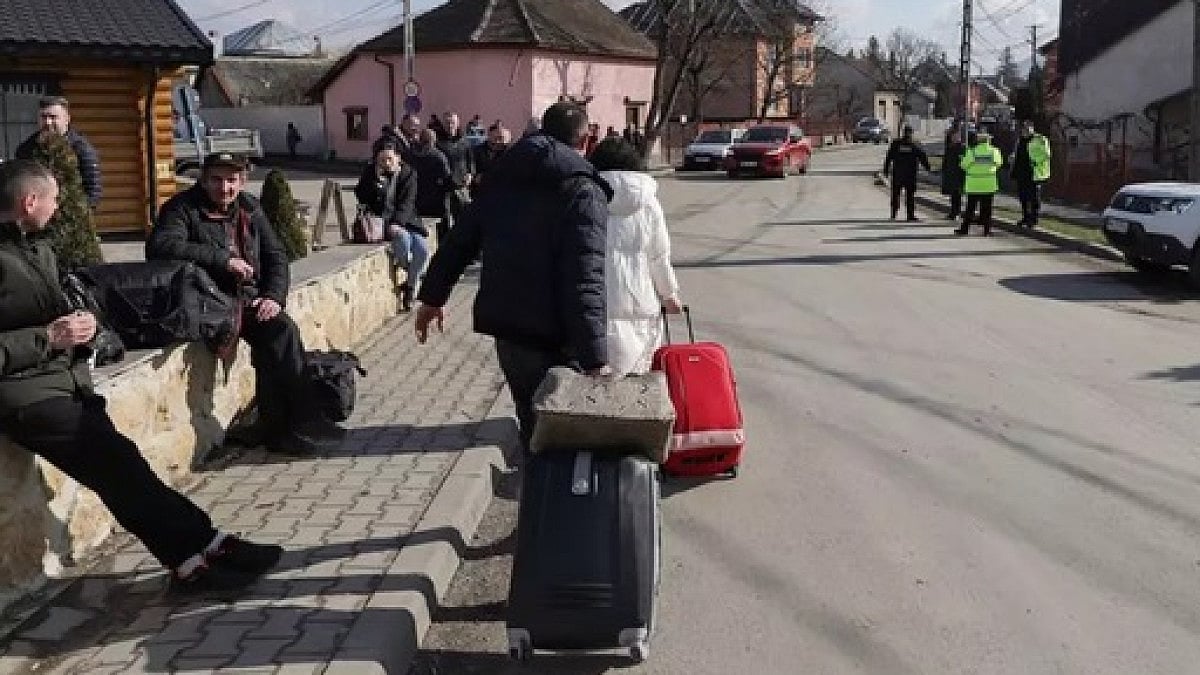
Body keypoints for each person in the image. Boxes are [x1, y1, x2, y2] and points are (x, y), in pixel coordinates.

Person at [0, 159, 282, 593]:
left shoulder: (34, 245)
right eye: (54, 199)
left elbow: (61, 303)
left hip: (64, 381)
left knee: (127, 470)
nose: (60, 207)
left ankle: (206, 545)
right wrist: (48, 338)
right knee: (121, 473)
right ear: (29, 200)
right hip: (27, 397)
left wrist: (85, 323)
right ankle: (193, 561)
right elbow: (37, 333)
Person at [413, 101, 611, 453]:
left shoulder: (502, 177)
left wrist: (432, 298)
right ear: (584, 141)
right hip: (558, 334)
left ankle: (534, 487)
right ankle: (550, 499)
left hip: (509, 326)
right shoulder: (582, 188)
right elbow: (585, 275)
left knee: (530, 417)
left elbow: (460, 240)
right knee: (566, 433)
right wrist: (596, 359)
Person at [147, 153, 342, 454]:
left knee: (277, 333)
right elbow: (161, 246)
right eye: (216, 179)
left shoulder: (250, 207)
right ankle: (301, 421)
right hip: (207, 301)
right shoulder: (182, 208)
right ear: (204, 178)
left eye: (231, 180)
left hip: (248, 300)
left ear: (242, 180)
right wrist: (223, 260)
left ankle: (283, 426)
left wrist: (273, 297)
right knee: (280, 335)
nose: (224, 187)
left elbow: (276, 256)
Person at [589, 138, 683, 378]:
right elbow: (659, 255)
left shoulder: (586, 196)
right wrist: (669, 294)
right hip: (640, 299)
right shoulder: (648, 201)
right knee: (636, 376)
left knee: (596, 378)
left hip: (595, 299)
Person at [354, 145, 426, 312]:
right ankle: (412, 278)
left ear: (398, 158)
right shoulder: (371, 173)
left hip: (407, 220)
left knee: (421, 250)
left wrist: (398, 222)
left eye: (389, 159)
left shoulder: (409, 174)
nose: (386, 163)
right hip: (382, 222)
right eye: (382, 160)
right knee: (403, 241)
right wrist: (376, 182)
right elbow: (361, 196)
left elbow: (408, 202)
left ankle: (409, 286)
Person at [16, 96, 101, 209]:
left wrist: (79, 215)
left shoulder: (81, 148)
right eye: (43, 117)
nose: (48, 122)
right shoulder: (26, 149)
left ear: (67, 119)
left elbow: (93, 191)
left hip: (71, 217)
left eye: (53, 117)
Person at [435, 112, 476, 243]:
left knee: (464, 218)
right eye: (447, 122)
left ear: (458, 123)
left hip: (461, 186)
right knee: (445, 220)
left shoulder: (465, 142)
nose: (450, 125)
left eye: (452, 122)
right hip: (444, 187)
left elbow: (471, 162)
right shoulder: (438, 142)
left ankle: (464, 247)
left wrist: (470, 174)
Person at [955, 131, 1003, 237]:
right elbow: (999, 163)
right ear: (988, 140)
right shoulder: (994, 151)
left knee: (970, 209)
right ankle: (987, 230)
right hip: (989, 184)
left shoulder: (972, 152)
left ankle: (965, 229)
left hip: (974, 184)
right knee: (987, 209)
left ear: (978, 140)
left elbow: (963, 165)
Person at [882, 125, 931, 221]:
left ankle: (894, 214)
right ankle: (909, 215)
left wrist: (886, 170)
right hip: (909, 175)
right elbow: (923, 157)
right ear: (911, 133)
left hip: (899, 174)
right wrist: (928, 168)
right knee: (909, 196)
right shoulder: (915, 144)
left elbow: (889, 157)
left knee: (896, 195)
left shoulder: (896, 144)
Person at [1011, 120, 1052, 228]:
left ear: (1032, 128)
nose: (1025, 130)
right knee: (1023, 197)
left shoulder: (1040, 139)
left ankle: (1033, 219)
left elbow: (1046, 154)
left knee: (1034, 197)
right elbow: (1018, 153)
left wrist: (1035, 161)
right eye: (1024, 128)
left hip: (1034, 172)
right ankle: (1025, 217)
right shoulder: (1020, 140)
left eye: (1028, 128)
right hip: (1021, 172)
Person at [470, 124, 511, 199]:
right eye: (495, 138)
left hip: (500, 194)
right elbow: (471, 169)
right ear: (489, 136)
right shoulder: (477, 151)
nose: (498, 142)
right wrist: (473, 176)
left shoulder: (509, 153)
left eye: (501, 138)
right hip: (479, 193)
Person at [941, 128, 967, 220]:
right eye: (953, 136)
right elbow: (946, 161)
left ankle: (957, 213)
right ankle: (953, 212)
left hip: (959, 175)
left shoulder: (962, 148)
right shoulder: (949, 148)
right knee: (952, 195)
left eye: (956, 136)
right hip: (950, 174)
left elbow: (964, 162)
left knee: (957, 195)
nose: (954, 138)